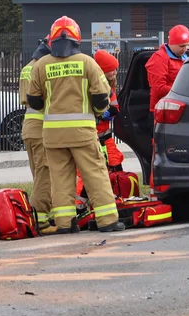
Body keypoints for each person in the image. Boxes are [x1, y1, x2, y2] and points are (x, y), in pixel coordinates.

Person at [26, 16, 124, 234]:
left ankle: (65, 223)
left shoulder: (41, 65)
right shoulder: (87, 62)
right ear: (77, 37)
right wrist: (98, 113)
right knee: (94, 173)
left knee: (59, 178)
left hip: (52, 135)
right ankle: (107, 219)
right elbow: (101, 96)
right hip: (82, 133)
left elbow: (33, 99)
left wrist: (51, 108)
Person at [75, 50, 125, 198]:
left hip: (105, 138)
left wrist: (105, 115)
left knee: (115, 167)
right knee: (89, 173)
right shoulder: (95, 85)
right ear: (102, 70)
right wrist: (102, 115)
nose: (115, 72)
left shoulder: (108, 86)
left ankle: (115, 198)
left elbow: (115, 108)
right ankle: (81, 205)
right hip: (93, 137)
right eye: (112, 70)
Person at [19, 38, 53, 234]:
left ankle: (46, 215)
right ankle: (40, 219)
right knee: (45, 174)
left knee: (38, 173)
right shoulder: (43, 68)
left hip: (29, 128)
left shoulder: (27, 67)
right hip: (42, 128)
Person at [147, 25, 189, 116]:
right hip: (163, 110)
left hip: (181, 106)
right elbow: (159, 88)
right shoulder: (159, 58)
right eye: (182, 46)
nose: (185, 49)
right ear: (172, 43)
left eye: (187, 45)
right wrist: (185, 91)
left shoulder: (184, 58)